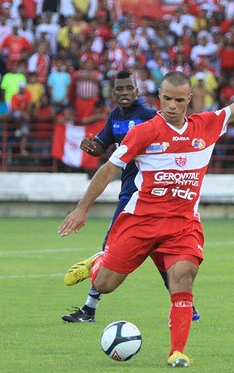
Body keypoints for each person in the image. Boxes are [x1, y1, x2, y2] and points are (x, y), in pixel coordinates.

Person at [58, 72, 234, 367]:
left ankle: (177, 351)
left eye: (178, 100)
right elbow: (108, 170)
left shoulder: (207, 126)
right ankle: (96, 263)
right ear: (159, 98)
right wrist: (82, 209)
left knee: (183, 276)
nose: (172, 106)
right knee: (106, 284)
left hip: (182, 225)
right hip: (140, 221)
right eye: (167, 99)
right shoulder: (144, 132)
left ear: (189, 99)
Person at [61, 70, 187, 323]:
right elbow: (102, 146)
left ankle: (89, 310)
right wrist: (91, 147)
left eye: (130, 88)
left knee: (110, 248)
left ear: (137, 91)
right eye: (120, 89)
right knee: (160, 255)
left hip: (142, 195)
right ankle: (187, 307)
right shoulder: (116, 116)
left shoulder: (150, 117)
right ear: (113, 92)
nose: (125, 93)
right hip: (129, 192)